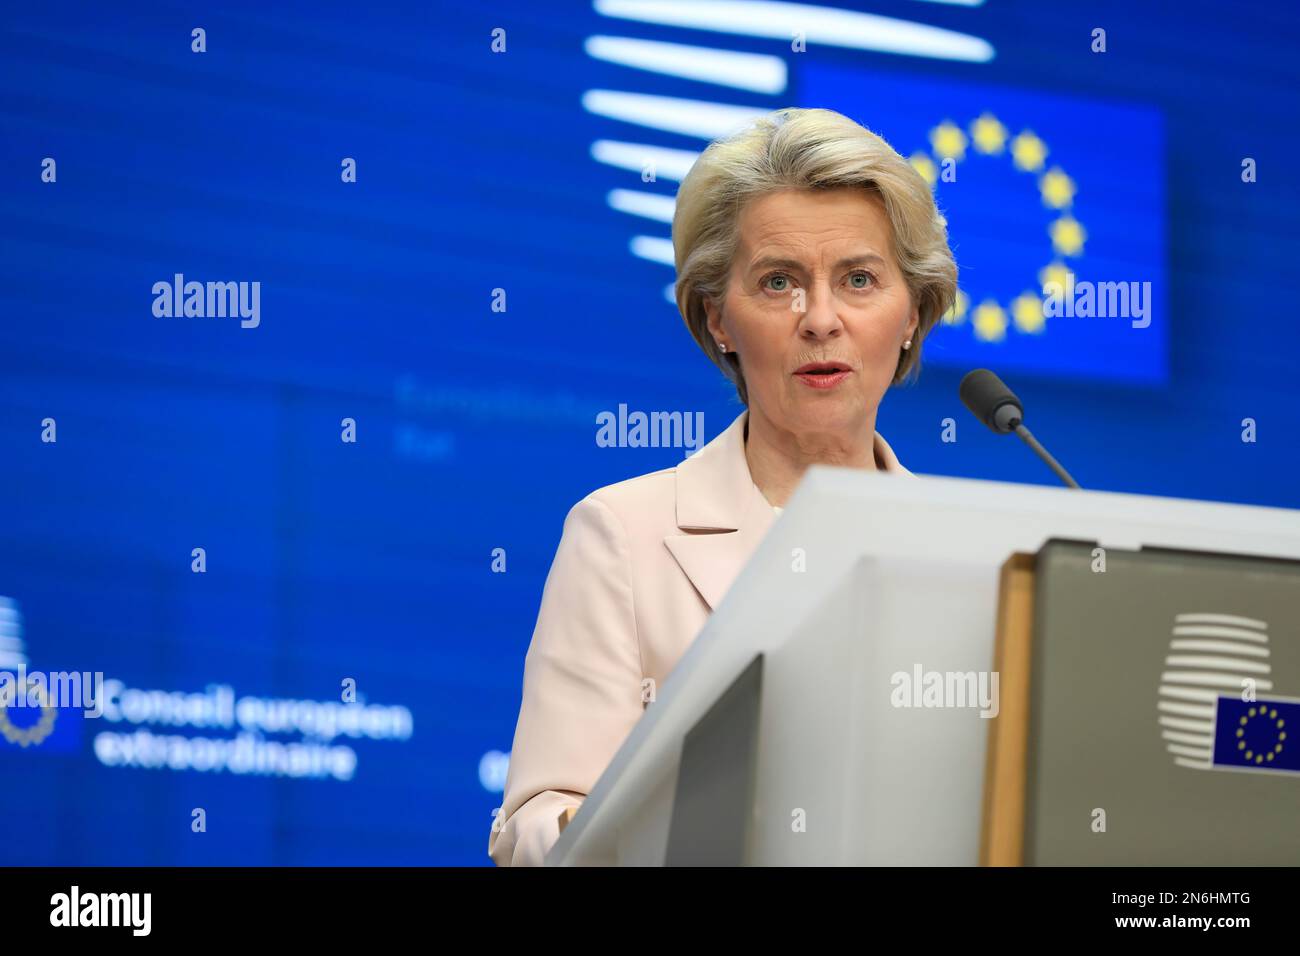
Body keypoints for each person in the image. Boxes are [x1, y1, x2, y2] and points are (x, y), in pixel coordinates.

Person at [489, 107, 957, 866]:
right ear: (719, 321)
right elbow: (537, 827)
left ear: (911, 314)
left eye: (860, 279)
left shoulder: (975, 551)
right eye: (779, 283)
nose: (821, 319)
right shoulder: (624, 535)